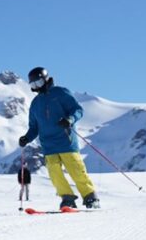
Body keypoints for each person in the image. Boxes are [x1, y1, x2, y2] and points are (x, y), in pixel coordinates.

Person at [18, 66, 99, 209]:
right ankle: (67, 198)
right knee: (55, 174)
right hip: (48, 145)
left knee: (76, 171)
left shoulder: (60, 93)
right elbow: (34, 128)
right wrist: (26, 138)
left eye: (38, 83)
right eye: (33, 85)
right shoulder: (35, 104)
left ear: (46, 79)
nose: (36, 87)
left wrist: (69, 119)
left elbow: (78, 110)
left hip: (66, 141)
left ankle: (90, 197)